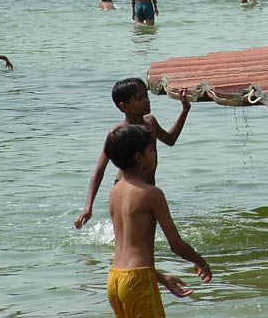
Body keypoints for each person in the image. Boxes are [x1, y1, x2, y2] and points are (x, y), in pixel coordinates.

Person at [104, 124, 211, 316]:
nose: (155, 155)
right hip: (137, 280)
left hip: (114, 279)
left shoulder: (115, 192)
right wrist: (201, 262)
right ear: (138, 157)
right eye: (151, 150)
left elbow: (129, 250)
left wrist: (160, 278)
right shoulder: (151, 194)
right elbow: (176, 245)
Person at [74, 78, 190, 230]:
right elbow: (99, 170)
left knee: (146, 234)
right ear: (124, 105)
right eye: (140, 98)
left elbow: (170, 140)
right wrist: (88, 207)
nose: (146, 101)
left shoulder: (150, 123)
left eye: (146, 96)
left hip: (148, 187)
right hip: (126, 188)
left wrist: (184, 110)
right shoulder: (118, 133)